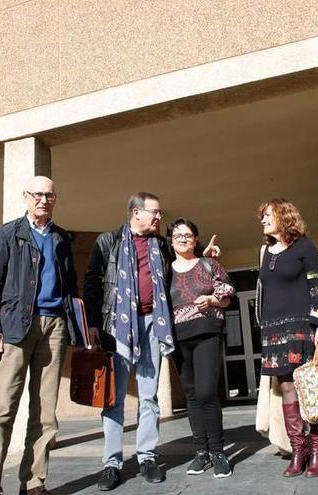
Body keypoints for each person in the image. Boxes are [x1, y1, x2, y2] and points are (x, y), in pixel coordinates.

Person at [83, 192, 220, 491]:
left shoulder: (160, 245)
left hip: (152, 325)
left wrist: (203, 258)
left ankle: (147, 457)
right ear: (136, 213)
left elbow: (183, 267)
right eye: (154, 213)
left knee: (149, 396)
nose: (160, 218)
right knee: (114, 398)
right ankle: (112, 463)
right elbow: (92, 281)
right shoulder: (108, 241)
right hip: (117, 326)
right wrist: (92, 323)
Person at [0, 176, 80, 495]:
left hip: (54, 326)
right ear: (26, 197)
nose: (43, 200)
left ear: (55, 199)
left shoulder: (62, 238)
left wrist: (77, 325)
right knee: (3, 408)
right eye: (37, 194)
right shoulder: (9, 234)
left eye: (49, 195)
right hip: (15, 328)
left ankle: (34, 482)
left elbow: (70, 286)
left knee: (45, 411)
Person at [255, 198, 318, 479]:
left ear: (284, 216)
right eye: (262, 216)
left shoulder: (304, 247)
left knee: (310, 389)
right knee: (287, 388)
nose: (262, 220)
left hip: (302, 326)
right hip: (274, 331)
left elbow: (316, 288)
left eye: (268, 215)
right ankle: (299, 450)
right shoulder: (266, 251)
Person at [166, 217, 235, 478]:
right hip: (176, 337)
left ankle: (218, 452)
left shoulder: (209, 264)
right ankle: (201, 453)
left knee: (207, 393)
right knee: (192, 396)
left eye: (188, 235)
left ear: (196, 239)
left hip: (207, 332)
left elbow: (227, 297)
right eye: (177, 235)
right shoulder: (164, 269)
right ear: (171, 241)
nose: (183, 239)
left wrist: (212, 300)